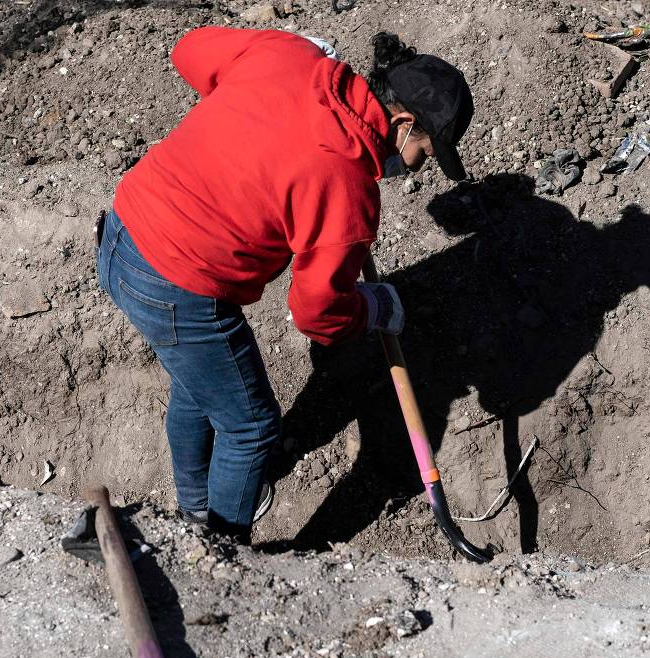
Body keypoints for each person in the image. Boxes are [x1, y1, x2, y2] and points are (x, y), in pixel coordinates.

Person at [96, 27, 474, 538]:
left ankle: (195, 510)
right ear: (402, 124)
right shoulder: (347, 187)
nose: (418, 167)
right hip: (175, 282)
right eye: (424, 152)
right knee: (250, 428)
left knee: (201, 384)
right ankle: (218, 552)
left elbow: (187, 50)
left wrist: (273, 59)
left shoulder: (287, 55)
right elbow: (317, 314)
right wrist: (372, 309)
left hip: (124, 230)